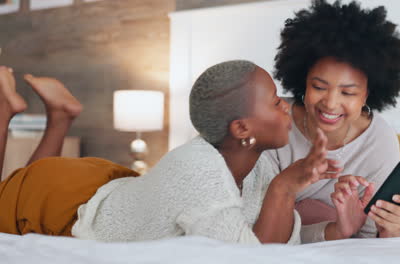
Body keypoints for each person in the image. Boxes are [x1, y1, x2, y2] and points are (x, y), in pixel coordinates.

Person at [0, 61, 341, 244]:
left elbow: (279, 247)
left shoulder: (260, 166)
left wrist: (286, 188)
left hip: (101, 186)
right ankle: (7, 111)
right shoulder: (197, 167)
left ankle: (58, 117)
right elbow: (245, 258)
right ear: (241, 129)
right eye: (274, 100)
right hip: (61, 201)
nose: (286, 105)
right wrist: (285, 187)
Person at [264, 0, 400, 242]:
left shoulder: (379, 142)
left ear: (368, 94)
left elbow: (365, 237)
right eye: (319, 87)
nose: (331, 104)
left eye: (348, 92)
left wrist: (389, 230)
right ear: (303, 80)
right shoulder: (272, 119)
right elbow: (255, 225)